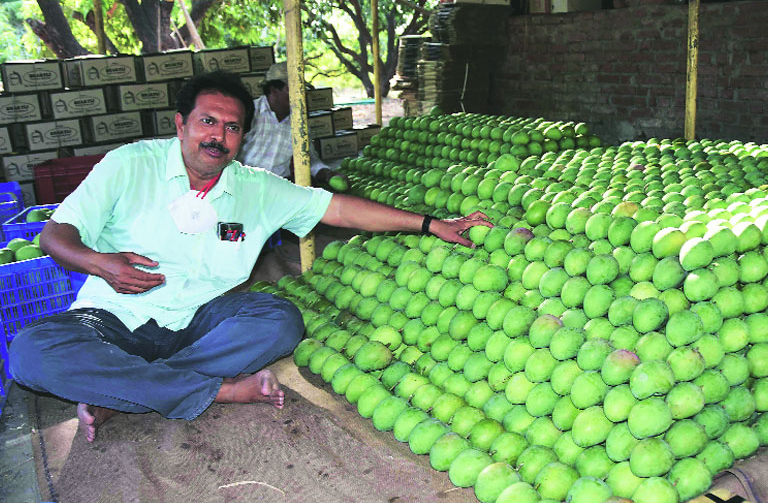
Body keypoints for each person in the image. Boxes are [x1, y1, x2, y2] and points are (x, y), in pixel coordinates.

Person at [8, 71, 490, 443]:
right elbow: (55, 235)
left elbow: (338, 207)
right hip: (112, 318)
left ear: (243, 138)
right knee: (30, 354)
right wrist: (100, 263)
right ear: (181, 124)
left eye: (232, 127)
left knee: (278, 319)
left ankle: (130, 392)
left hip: (202, 323)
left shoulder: (255, 189)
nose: (218, 136)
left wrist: (430, 223)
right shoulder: (129, 165)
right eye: (207, 122)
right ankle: (210, 390)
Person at [236, 61, 348, 189]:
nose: (301, 95)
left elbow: (309, 160)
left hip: (279, 190)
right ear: (274, 90)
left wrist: (328, 174)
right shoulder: (248, 112)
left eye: (302, 90)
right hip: (243, 186)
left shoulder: (300, 123)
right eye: (294, 90)